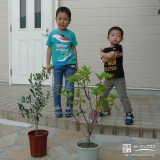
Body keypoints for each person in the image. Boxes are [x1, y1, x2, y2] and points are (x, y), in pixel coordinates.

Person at [46, 7, 78, 118]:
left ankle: (69, 107)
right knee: (57, 87)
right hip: (57, 66)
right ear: (56, 19)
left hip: (70, 65)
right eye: (60, 18)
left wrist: (76, 63)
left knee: (70, 87)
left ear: (69, 21)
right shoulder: (52, 34)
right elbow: (49, 49)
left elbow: (73, 49)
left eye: (65, 19)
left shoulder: (71, 34)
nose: (62, 21)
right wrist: (47, 64)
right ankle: (57, 107)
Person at [100, 26, 134, 125]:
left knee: (123, 96)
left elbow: (108, 56)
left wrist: (102, 53)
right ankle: (106, 109)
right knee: (103, 94)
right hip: (108, 78)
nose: (115, 37)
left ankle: (129, 113)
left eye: (118, 36)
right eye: (113, 35)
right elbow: (103, 60)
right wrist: (108, 55)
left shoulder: (119, 47)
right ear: (108, 38)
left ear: (121, 39)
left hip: (119, 78)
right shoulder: (107, 49)